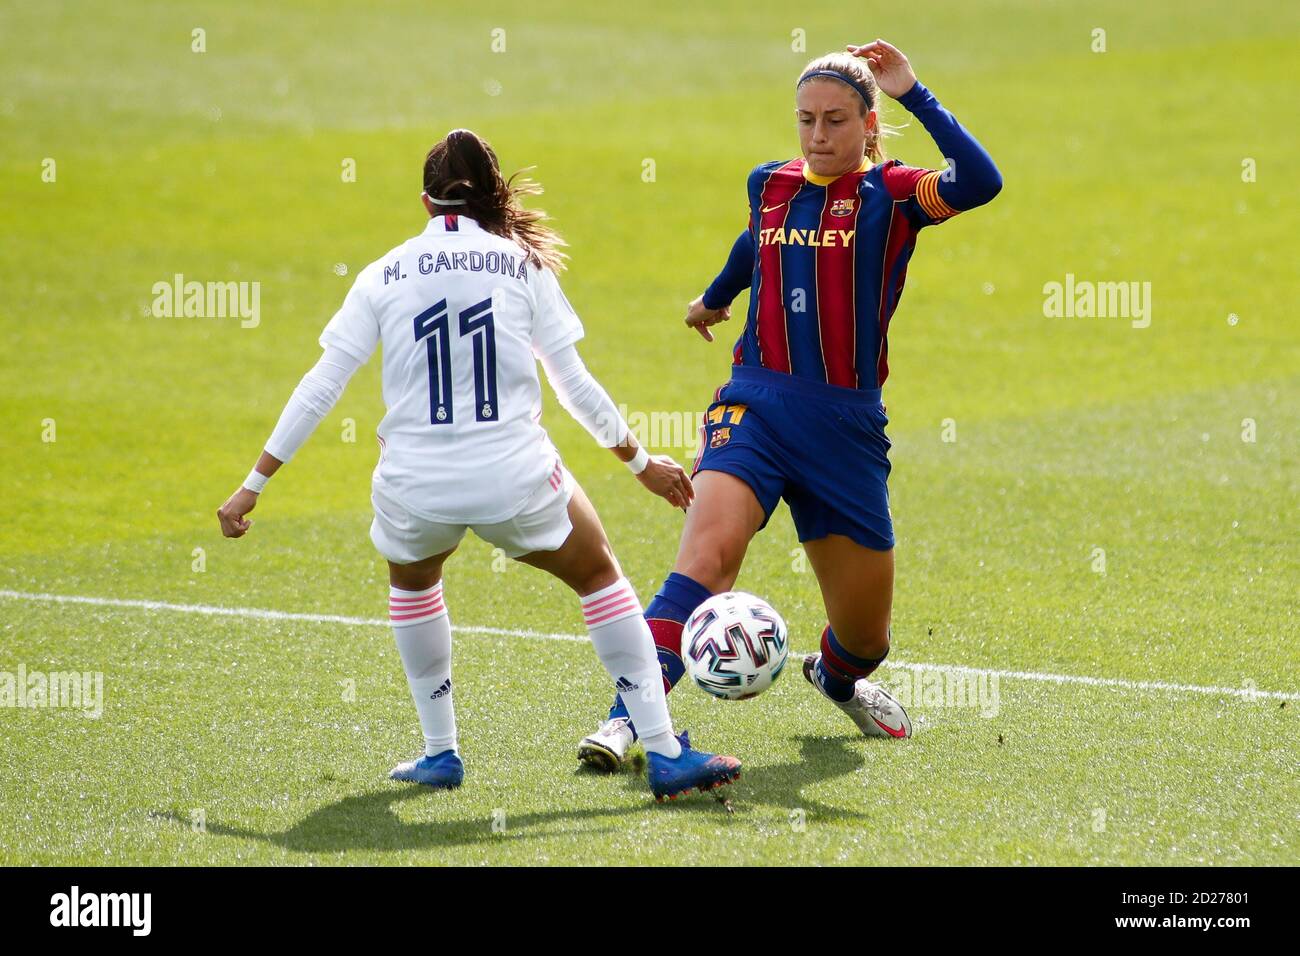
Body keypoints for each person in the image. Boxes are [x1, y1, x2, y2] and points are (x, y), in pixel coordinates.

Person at [217, 129, 740, 801]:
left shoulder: (382, 273)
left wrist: (252, 485)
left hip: (414, 487)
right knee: (599, 575)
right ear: (495, 194)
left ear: (424, 200)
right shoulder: (522, 266)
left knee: (412, 586)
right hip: (514, 479)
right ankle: (665, 753)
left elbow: (321, 385)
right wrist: (640, 462)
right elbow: (573, 385)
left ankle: (441, 753)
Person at [578, 40, 1002, 769]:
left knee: (868, 639)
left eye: (836, 120)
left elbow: (982, 182)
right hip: (756, 405)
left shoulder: (895, 195)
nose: (817, 135)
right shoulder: (768, 183)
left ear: (869, 124)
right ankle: (628, 721)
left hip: (846, 429)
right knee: (709, 557)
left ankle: (834, 678)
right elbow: (758, 243)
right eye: (806, 119)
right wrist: (715, 298)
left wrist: (916, 93)